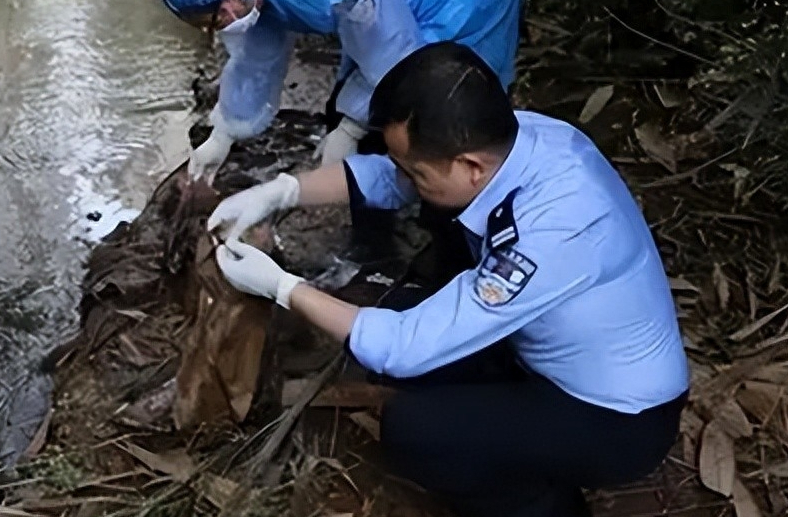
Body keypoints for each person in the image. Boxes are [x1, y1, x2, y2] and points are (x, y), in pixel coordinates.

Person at [205, 41, 689, 517]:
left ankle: (541, 504)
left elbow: (404, 348)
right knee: (387, 318)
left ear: (470, 166)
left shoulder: (558, 228)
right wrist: (279, 192)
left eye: (414, 169)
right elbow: (388, 179)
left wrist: (282, 287)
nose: (405, 178)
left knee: (417, 431)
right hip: (544, 348)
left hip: (618, 416)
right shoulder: (520, 141)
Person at [157, 0, 521, 182]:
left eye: (216, 19)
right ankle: (371, 229)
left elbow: (395, 58)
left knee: (441, 121)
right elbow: (254, 57)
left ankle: (453, 232)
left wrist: (350, 131)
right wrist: (224, 133)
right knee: (346, 110)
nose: (218, 28)